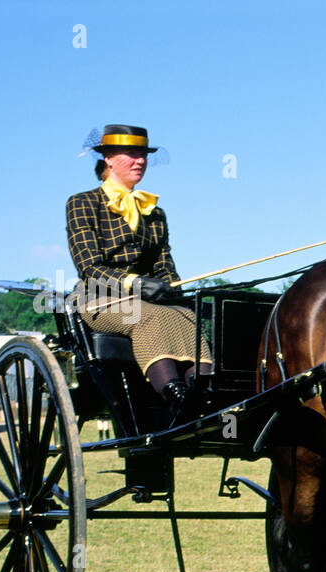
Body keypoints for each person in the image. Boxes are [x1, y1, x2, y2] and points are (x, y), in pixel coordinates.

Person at [66, 124, 210, 412]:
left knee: (188, 316)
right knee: (148, 315)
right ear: (108, 159)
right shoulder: (82, 203)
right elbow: (90, 268)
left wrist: (175, 290)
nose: (140, 161)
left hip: (146, 299)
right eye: (131, 154)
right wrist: (135, 283)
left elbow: (164, 266)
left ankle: (204, 392)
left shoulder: (154, 213)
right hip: (98, 298)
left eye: (143, 154)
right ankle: (174, 394)